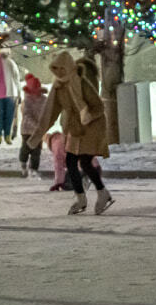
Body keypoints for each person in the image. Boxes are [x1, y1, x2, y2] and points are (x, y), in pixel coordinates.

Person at [28, 52, 112, 215]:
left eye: (62, 68)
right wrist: (37, 136)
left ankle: (102, 194)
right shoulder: (58, 88)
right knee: (72, 161)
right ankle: (82, 197)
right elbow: (49, 114)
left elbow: (99, 107)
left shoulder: (82, 82)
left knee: (85, 162)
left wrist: (88, 115)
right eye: (56, 69)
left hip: (92, 127)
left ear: (69, 67)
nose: (59, 72)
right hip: (75, 128)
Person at [19, 73, 47, 177]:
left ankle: (34, 168)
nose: (35, 94)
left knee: (36, 151)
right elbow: (27, 115)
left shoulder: (45, 100)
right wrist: (36, 125)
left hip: (38, 131)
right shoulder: (27, 101)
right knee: (26, 148)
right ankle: (23, 163)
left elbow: (48, 112)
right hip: (27, 129)